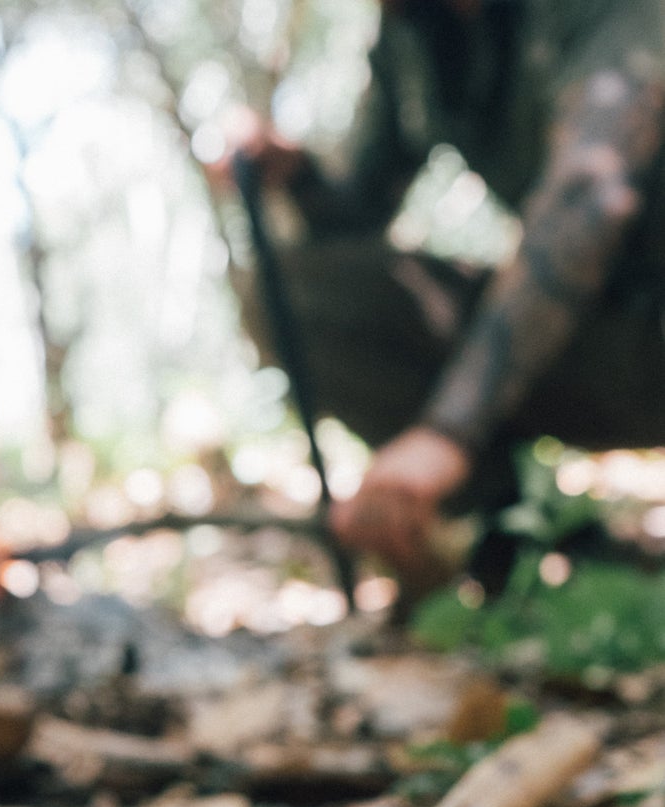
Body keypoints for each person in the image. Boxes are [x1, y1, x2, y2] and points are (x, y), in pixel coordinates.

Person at [209, 0, 665, 585]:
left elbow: (589, 199)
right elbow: (357, 217)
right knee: (295, 295)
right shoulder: (410, 37)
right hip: (596, 339)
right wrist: (295, 174)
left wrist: (448, 431)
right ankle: (511, 543)